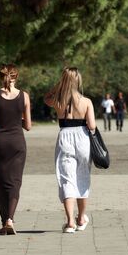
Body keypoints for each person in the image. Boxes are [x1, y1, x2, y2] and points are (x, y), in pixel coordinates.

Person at [45, 67, 96, 233]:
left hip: (65, 137)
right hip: (83, 138)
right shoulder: (86, 101)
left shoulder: (58, 101)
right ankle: (81, 217)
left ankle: (70, 222)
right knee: (82, 177)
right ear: (78, 80)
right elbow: (92, 125)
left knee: (67, 179)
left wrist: (60, 85)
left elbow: (46, 98)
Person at [0, 64, 32, 235]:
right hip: (17, 143)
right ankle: (10, 219)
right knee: (15, 182)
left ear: (1, 77)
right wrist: (15, 120)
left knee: (0, 182)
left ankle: (3, 220)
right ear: (16, 77)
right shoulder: (24, 96)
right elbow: (27, 126)